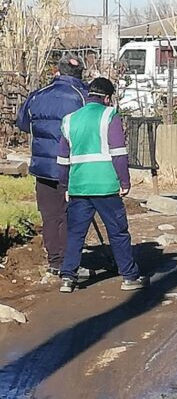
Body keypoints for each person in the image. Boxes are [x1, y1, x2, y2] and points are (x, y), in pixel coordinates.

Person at [57, 77, 147, 293]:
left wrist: (65, 185)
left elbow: (62, 159)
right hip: (106, 186)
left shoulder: (69, 120)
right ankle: (129, 276)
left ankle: (68, 278)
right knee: (118, 232)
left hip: (78, 186)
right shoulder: (109, 115)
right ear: (107, 98)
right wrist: (124, 181)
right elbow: (118, 153)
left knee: (76, 234)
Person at [15, 55, 88, 276]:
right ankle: (67, 262)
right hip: (72, 166)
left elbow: (22, 123)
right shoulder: (82, 96)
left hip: (42, 165)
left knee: (49, 214)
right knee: (69, 214)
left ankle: (54, 260)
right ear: (80, 73)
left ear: (57, 70)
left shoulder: (37, 96)